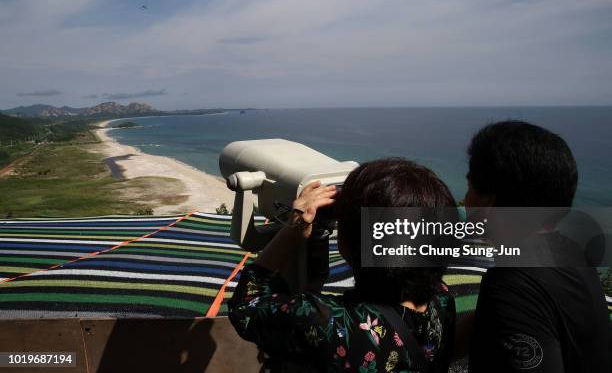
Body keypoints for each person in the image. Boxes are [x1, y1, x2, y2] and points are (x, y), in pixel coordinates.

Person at [228, 158, 456, 372]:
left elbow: (247, 306)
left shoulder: (328, 324)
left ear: (348, 247)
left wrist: (295, 225)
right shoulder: (442, 299)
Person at [464, 121, 611, 372]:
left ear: (490, 201)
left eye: (470, 188)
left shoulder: (513, 283)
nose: (465, 199)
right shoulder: (569, 254)